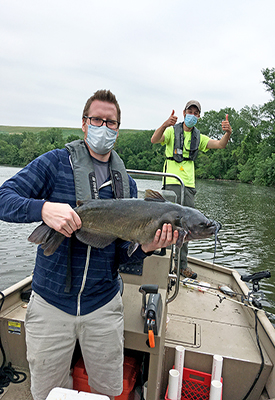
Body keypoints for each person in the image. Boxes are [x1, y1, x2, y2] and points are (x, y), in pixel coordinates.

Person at [0, 90, 178, 400]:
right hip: (50, 303)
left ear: (118, 129)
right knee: (47, 392)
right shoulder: (55, 163)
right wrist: (43, 209)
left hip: (103, 305)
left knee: (109, 390)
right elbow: (4, 199)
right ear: (84, 124)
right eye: (98, 119)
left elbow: (120, 255)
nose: (104, 127)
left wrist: (145, 247)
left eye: (111, 122)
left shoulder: (128, 185)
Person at [151, 100, 232, 279]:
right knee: (165, 224)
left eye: (196, 113)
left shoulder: (199, 137)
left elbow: (220, 145)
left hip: (188, 186)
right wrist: (166, 123)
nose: (192, 115)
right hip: (171, 183)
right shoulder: (172, 131)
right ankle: (161, 263)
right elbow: (154, 139)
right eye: (190, 111)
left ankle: (181, 265)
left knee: (187, 228)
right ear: (184, 112)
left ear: (199, 116)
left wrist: (228, 133)